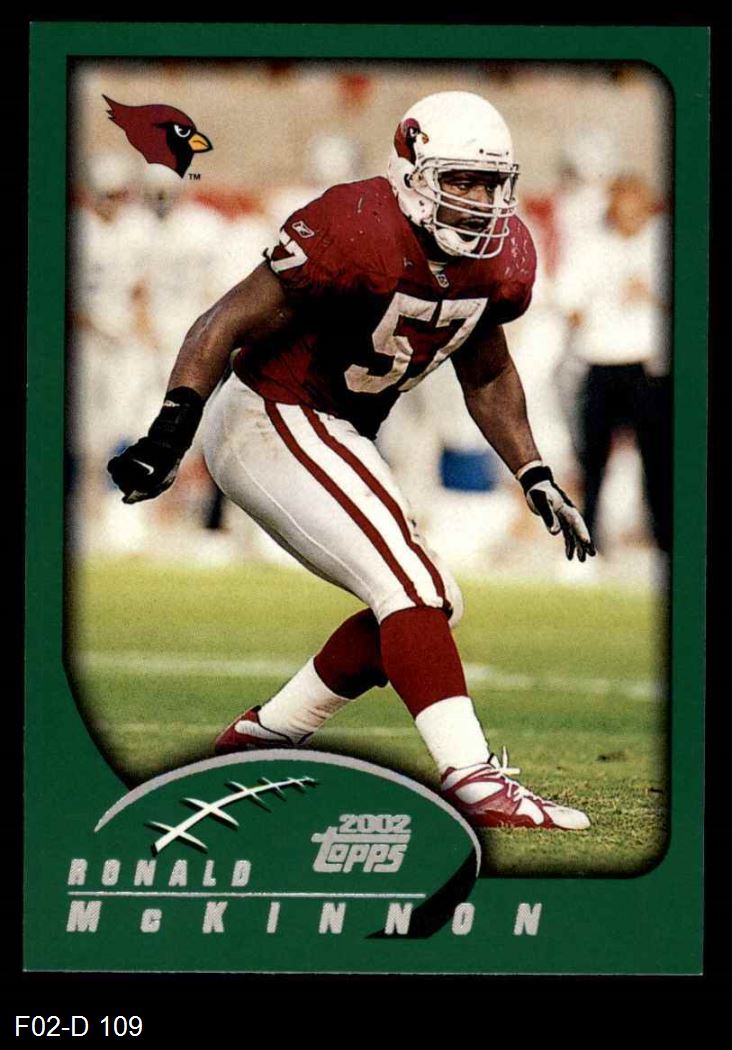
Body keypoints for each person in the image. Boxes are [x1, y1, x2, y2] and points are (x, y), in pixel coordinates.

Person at [107, 91, 595, 831]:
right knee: (413, 587)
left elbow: (487, 369)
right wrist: (172, 428)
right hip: (272, 413)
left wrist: (534, 471)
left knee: (430, 603)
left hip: (338, 426)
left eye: (490, 183)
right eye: (460, 181)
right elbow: (225, 319)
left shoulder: (504, 258)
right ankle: (473, 782)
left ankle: (263, 737)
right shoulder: (355, 225)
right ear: (412, 172)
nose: (478, 201)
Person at [554, 173, 671, 552]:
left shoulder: (662, 242)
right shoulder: (592, 246)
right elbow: (567, 299)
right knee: (592, 461)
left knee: (657, 460)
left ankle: (663, 541)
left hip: (647, 365)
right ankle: (589, 540)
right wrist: (587, 314)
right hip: (601, 361)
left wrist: (651, 296)